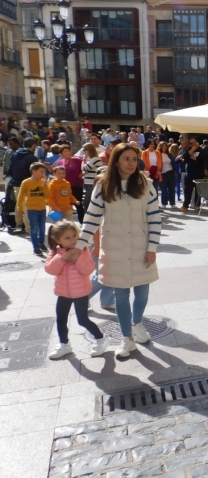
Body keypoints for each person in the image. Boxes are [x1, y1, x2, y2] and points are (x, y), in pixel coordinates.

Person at [77, 143, 161, 359]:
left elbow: (154, 218)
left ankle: (138, 323)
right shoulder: (103, 185)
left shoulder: (145, 184)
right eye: (126, 158)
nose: (131, 163)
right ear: (116, 160)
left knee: (142, 293)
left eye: (134, 159)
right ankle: (127, 339)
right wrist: (80, 245)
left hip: (142, 249)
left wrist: (152, 248)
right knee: (120, 296)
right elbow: (91, 218)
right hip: (114, 250)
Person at [44, 220, 109, 359]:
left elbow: (88, 270)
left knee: (83, 320)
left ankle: (100, 339)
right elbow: (50, 269)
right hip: (63, 293)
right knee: (61, 319)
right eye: (67, 238)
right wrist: (61, 258)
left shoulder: (83, 250)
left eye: (74, 235)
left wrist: (78, 258)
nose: (73, 240)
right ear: (58, 240)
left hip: (81, 293)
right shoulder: (55, 252)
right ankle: (64, 344)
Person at [16, 162, 50, 255]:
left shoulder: (42, 182)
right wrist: (19, 207)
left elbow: (48, 195)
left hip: (42, 208)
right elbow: (21, 195)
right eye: (41, 171)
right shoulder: (26, 182)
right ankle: (35, 247)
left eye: (44, 172)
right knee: (34, 228)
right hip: (31, 209)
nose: (43, 174)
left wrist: (45, 185)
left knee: (42, 228)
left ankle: (41, 243)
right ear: (34, 171)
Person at [53, 145, 85, 224]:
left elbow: (85, 167)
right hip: (64, 186)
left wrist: (82, 174)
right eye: (65, 151)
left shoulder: (77, 160)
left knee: (79, 205)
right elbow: (55, 171)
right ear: (61, 154)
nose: (67, 153)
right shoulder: (60, 162)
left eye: (68, 151)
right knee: (65, 205)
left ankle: (82, 222)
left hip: (76, 185)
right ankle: (63, 223)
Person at [178, 137, 205, 212]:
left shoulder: (201, 150)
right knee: (188, 191)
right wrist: (192, 150)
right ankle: (185, 206)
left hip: (198, 174)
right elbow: (185, 157)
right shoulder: (189, 150)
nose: (193, 144)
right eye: (191, 143)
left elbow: (200, 159)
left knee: (198, 191)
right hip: (189, 174)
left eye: (194, 142)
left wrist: (192, 157)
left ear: (197, 142)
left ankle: (198, 205)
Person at [81, 143, 103, 213]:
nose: (83, 151)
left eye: (84, 149)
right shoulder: (90, 160)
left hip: (92, 184)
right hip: (87, 183)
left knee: (87, 202)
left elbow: (85, 168)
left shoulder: (95, 159)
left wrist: (83, 160)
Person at [158, 142, 176, 208]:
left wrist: (174, 171)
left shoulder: (169, 154)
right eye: (163, 146)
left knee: (172, 189)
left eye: (165, 146)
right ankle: (164, 203)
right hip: (162, 173)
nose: (164, 147)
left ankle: (172, 203)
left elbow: (173, 163)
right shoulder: (158, 154)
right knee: (164, 189)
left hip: (170, 172)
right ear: (160, 147)